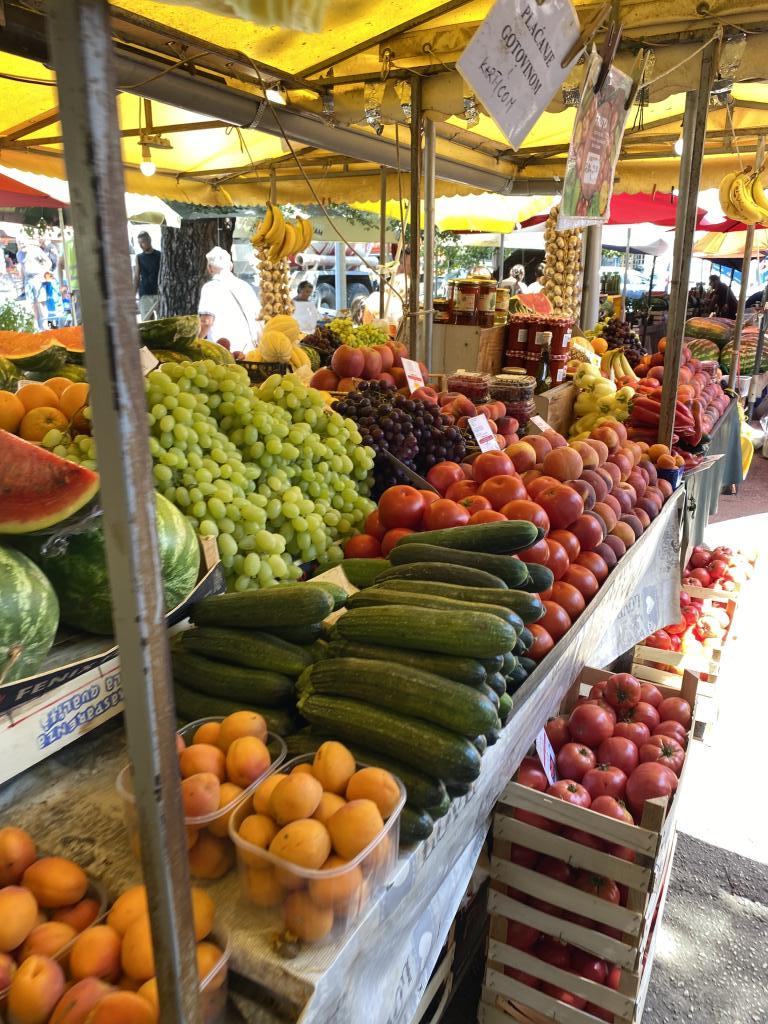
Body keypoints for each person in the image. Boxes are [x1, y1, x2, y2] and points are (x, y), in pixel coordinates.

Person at [198, 246, 261, 350]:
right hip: (248, 351)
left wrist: (194, 342)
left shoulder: (210, 287)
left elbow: (206, 322)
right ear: (231, 266)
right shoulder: (245, 286)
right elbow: (258, 318)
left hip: (222, 351)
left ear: (209, 268)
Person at [18, 238, 52, 330]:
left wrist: (42, 272)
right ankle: (36, 326)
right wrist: (22, 284)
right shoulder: (19, 254)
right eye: (19, 242)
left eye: (22, 242)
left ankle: (45, 325)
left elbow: (48, 263)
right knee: (31, 304)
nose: (20, 243)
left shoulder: (36, 250)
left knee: (41, 302)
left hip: (38, 278)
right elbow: (22, 268)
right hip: (28, 281)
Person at [133, 231, 161, 320]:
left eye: (142, 242)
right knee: (147, 323)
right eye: (139, 243)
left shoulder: (160, 255)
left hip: (158, 293)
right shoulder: (139, 257)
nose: (140, 245)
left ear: (149, 240)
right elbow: (136, 277)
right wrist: (133, 296)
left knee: (162, 321)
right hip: (144, 294)